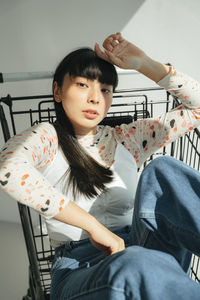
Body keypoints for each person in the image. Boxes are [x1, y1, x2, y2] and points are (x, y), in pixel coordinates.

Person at [0, 32, 200, 299]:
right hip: (80, 267)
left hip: (141, 246)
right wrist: (92, 226)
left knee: (163, 172)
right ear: (58, 91)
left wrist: (143, 63)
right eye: (83, 85)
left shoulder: (127, 139)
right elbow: (8, 169)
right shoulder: (48, 138)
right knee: (137, 264)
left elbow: (196, 108)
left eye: (105, 89)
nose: (95, 97)